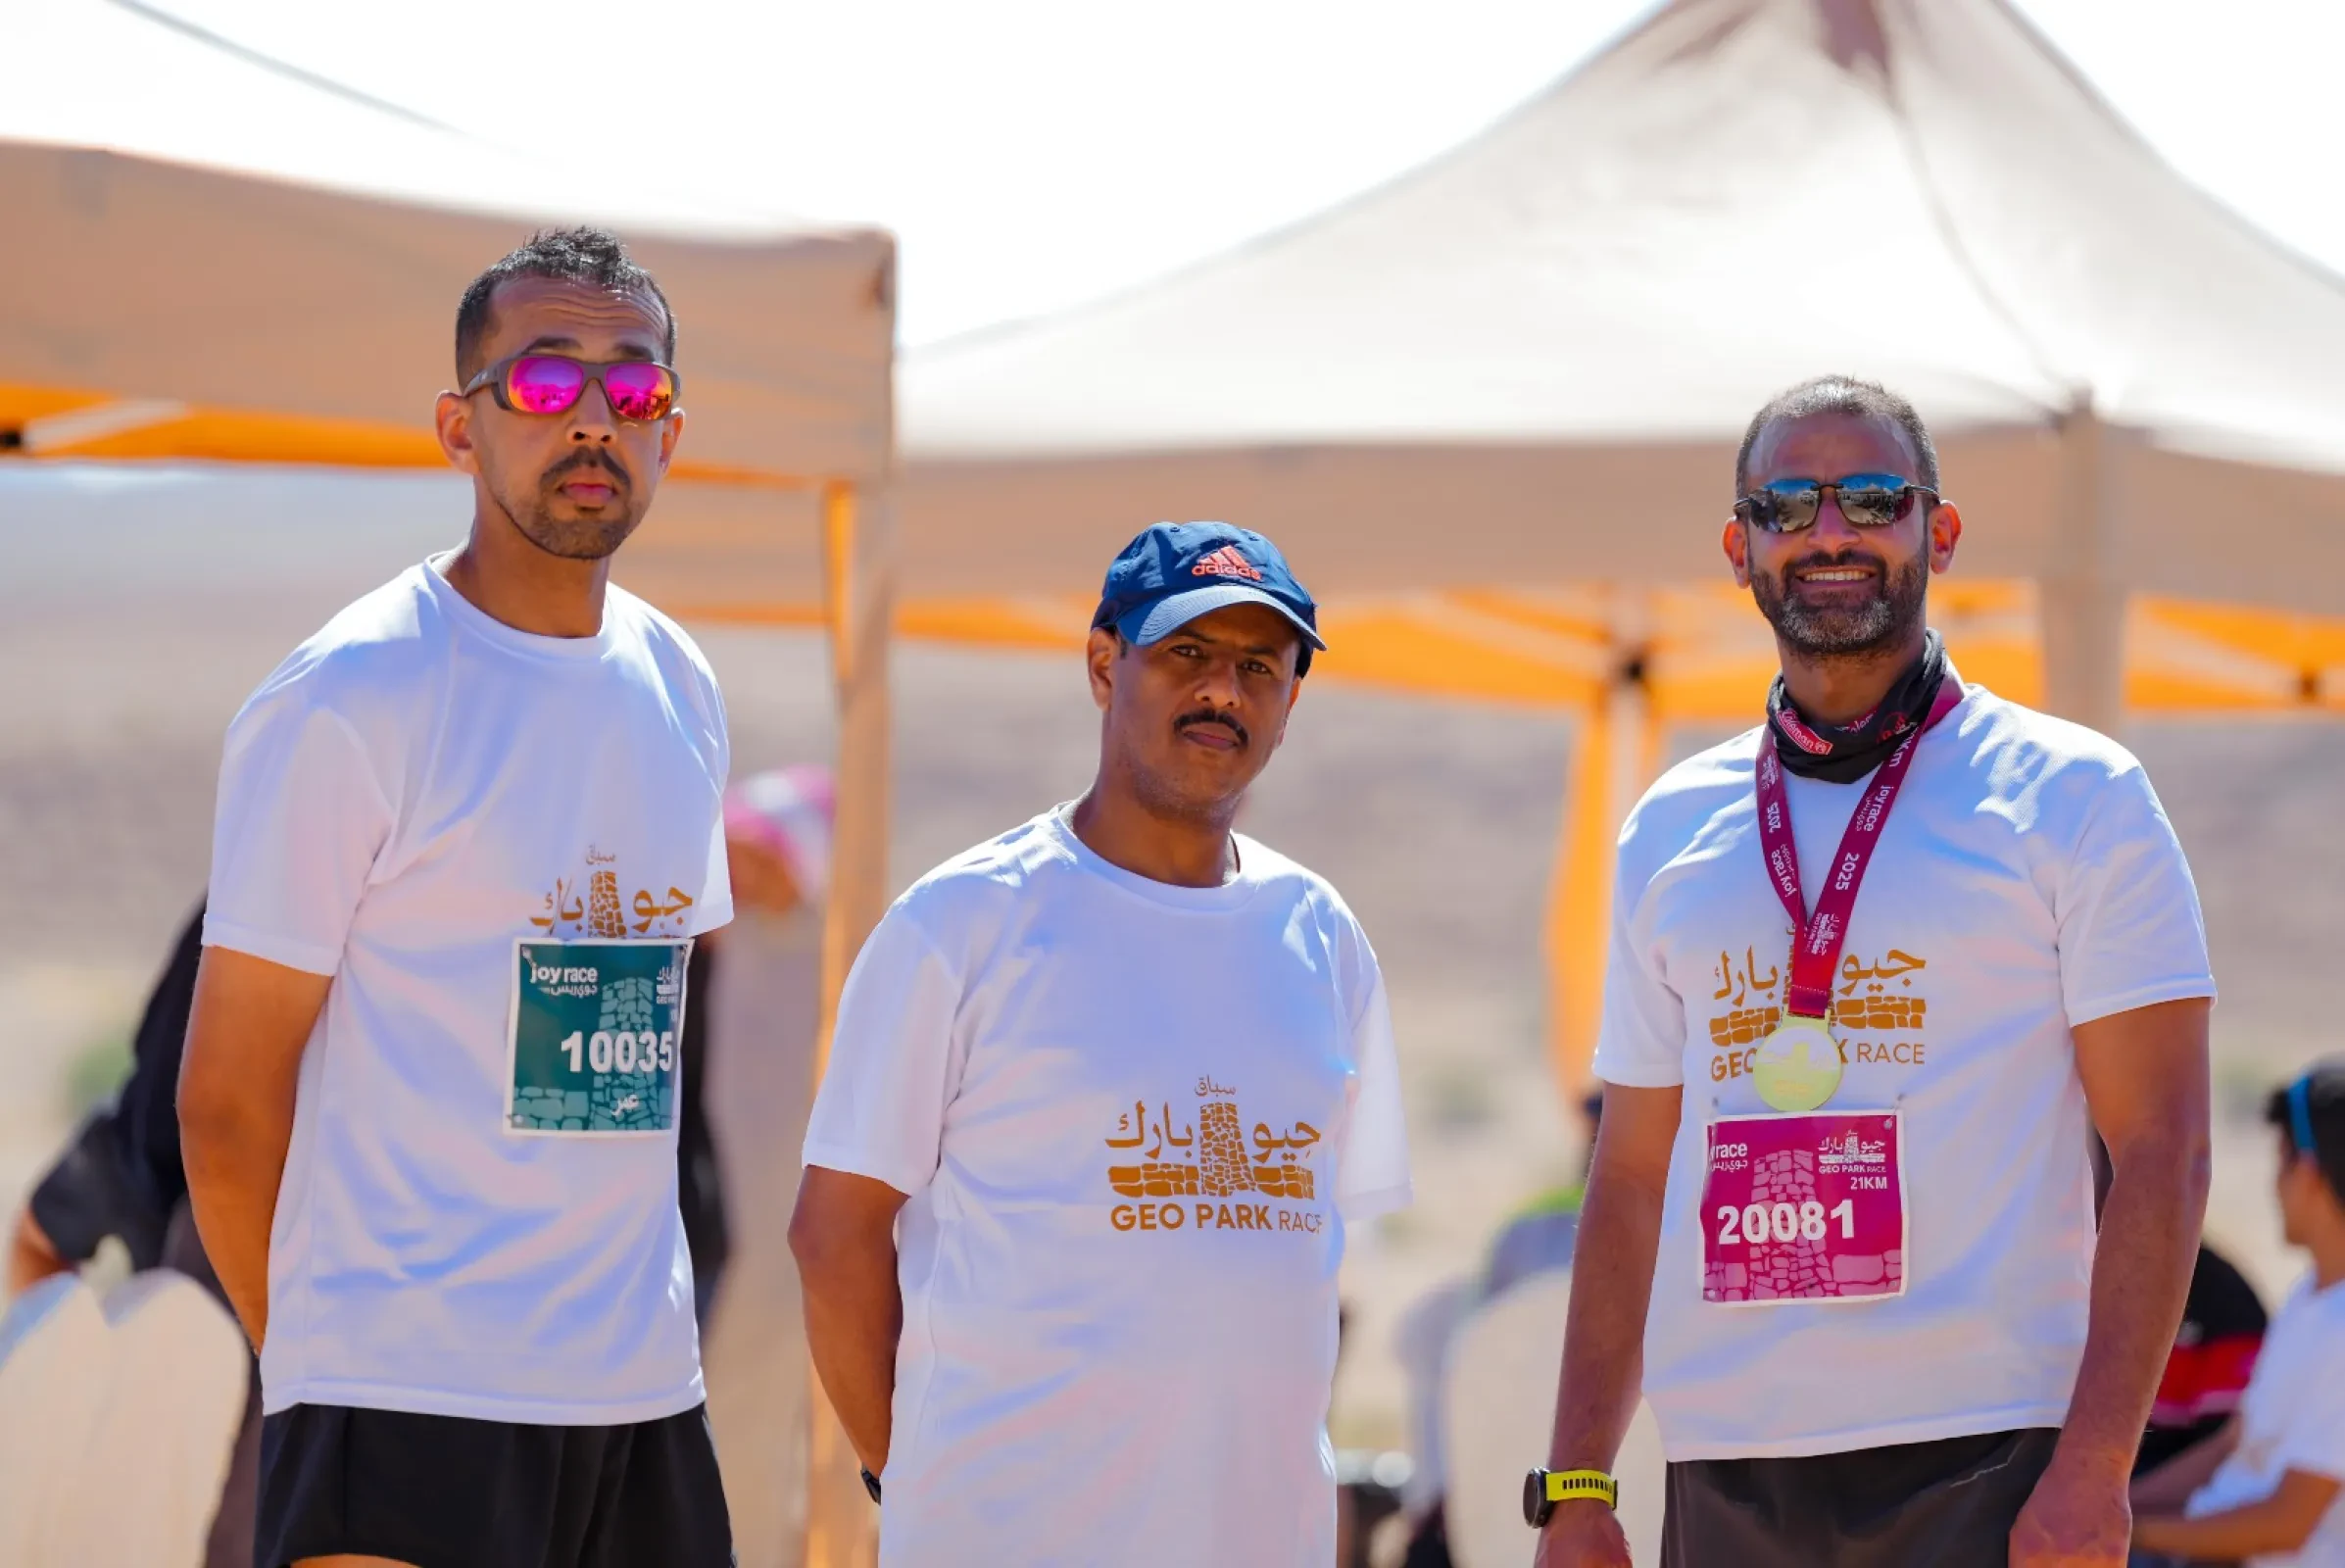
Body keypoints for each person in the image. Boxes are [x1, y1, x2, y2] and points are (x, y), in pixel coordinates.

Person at [1533, 375, 2216, 1567]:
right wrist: (1578, 1478)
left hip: (1986, 1450)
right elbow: (1630, 1175)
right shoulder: (1668, 825)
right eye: (1785, 506)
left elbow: (2161, 1147)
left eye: (1869, 498)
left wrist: (2097, 1464)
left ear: (1935, 533)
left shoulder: (2075, 795)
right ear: (1739, 549)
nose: (1828, 533)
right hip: (1727, 1459)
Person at [177, 227, 737, 1568]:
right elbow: (225, 1099)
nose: (592, 418)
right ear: (458, 426)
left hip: (640, 1400)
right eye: (543, 381)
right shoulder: (354, 694)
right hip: (406, 1401)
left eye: (633, 386)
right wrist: (328, 1362)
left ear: (669, 430)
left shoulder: (681, 685)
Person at [788, 521, 1413, 1567]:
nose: (1222, 690)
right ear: (1102, 664)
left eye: (1258, 666)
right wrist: (916, 1480)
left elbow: (1309, 1265)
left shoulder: (1321, 935)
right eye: (1186, 652)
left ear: (1290, 700)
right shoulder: (963, 922)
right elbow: (833, 1236)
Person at [2132, 1062, 2345, 1564]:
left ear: (2306, 1173)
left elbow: (2287, 1524)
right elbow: (2235, 1441)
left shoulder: (2340, 1329)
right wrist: (2108, 1507)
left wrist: (2125, 1534)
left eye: (2280, 1162)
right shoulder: (2310, 1296)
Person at [2136, 1243, 2268, 1478]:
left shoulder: (2226, 1299)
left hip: (2159, 1488)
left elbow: (2224, 1450)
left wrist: (2123, 1496)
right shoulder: (2068, 1275)